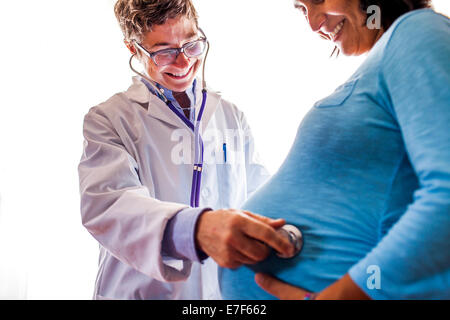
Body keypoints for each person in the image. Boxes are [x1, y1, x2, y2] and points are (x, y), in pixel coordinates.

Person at [219, 0, 450, 300]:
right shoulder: (384, 61)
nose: (314, 24)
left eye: (317, 0)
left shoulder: (417, 32)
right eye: (301, 9)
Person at [78, 0, 294, 300]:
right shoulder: (110, 119)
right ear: (134, 49)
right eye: (164, 51)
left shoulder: (231, 116)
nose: (183, 63)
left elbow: (260, 195)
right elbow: (108, 207)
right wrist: (195, 229)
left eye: (191, 45)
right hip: (139, 292)